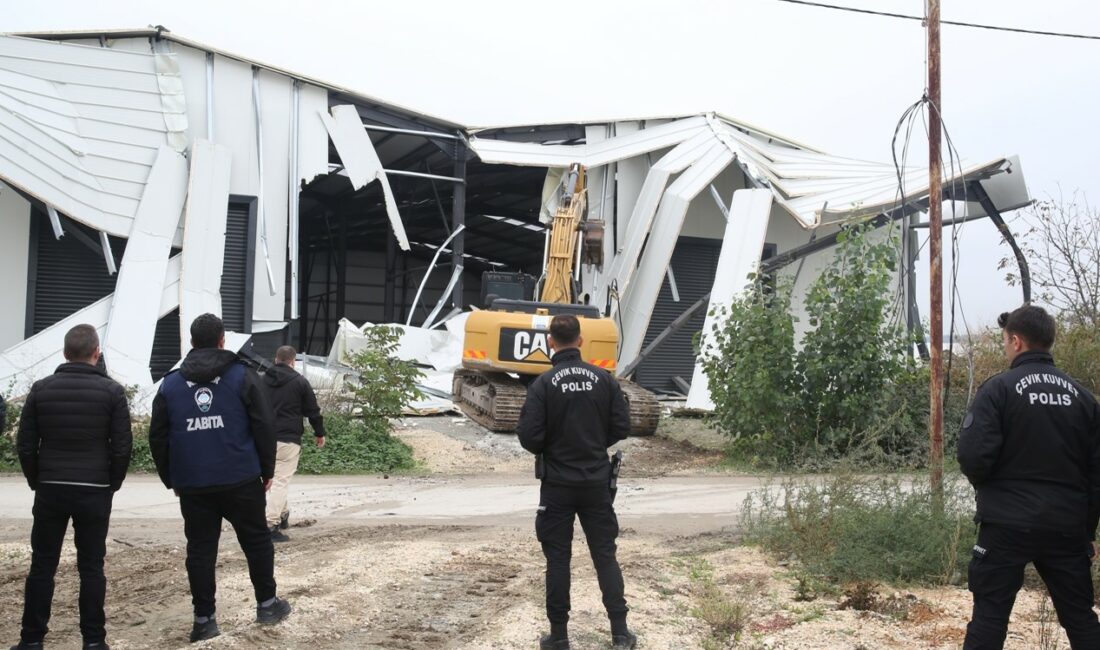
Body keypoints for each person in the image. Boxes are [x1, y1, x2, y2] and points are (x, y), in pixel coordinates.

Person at [957, 305, 1100, 649]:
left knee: (990, 615)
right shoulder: (1084, 399)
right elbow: (1096, 474)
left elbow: (973, 456)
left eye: (1006, 341)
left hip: (1005, 525)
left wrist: (994, 492)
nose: (1006, 347)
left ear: (1017, 341)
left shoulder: (999, 390)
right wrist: (1087, 531)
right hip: (1066, 526)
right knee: (1081, 618)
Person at [149, 314, 292, 643]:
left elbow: (157, 437)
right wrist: (267, 471)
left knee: (200, 551)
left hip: (194, 484)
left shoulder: (170, 384)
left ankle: (204, 621)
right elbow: (264, 425)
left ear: (191, 341)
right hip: (240, 477)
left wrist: (172, 478)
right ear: (223, 340)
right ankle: (268, 605)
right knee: (256, 542)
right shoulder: (243, 376)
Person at [517, 313, 636, 650]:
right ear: (580, 341)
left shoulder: (542, 384)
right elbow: (621, 427)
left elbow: (529, 437)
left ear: (551, 342)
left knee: (558, 559)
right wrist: (594, 444)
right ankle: (620, 633)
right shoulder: (605, 379)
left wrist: (554, 447)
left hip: (557, 484)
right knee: (604, 555)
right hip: (597, 481)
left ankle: (558, 636)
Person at [11, 324, 132, 650]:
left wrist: (37, 479)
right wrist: (112, 483)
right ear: (96, 353)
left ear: (65, 353)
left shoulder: (41, 389)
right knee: (91, 566)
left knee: (42, 565)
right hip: (94, 488)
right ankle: (94, 642)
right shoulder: (112, 392)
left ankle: (31, 640)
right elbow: (122, 447)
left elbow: (25, 444)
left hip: (51, 487)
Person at [262, 345, 326, 542]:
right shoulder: (300, 382)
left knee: (270, 479)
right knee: (280, 480)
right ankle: (271, 525)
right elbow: (312, 411)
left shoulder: (261, 380)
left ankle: (283, 514)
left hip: (263, 438)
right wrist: (319, 433)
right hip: (288, 439)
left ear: (275, 360)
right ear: (293, 361)